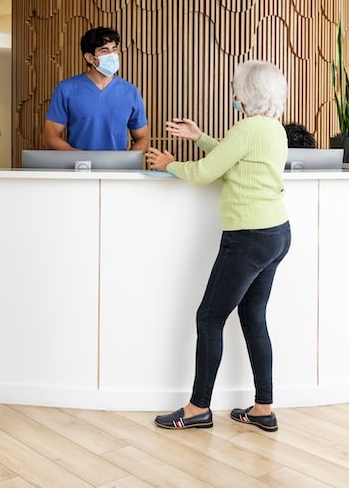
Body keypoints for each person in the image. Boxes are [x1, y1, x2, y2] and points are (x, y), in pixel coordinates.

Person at [145, 60, 292, 433]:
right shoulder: (273, 129)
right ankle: (263, 408)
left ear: (248, 92)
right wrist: (200, 138)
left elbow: (207, 172)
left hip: (247, 237)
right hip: (276, 233)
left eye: (235, 86)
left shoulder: (247, 127)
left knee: (209, 318)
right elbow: (235, 159)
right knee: (254, 318)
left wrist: (170, 163)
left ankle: (197, 408)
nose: (232, 91)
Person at [43, 27, 150, 151]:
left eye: (114, 49)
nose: (112, 55)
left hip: (118, 168)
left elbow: (142, 137)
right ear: (89, 57)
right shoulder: (66, 89)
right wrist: (78, 157)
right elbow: (51, 136)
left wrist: (127, 161)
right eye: (104, 51)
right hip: (80, 167)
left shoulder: (130, 92)